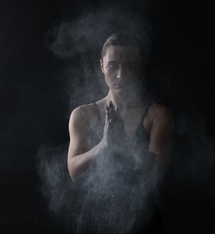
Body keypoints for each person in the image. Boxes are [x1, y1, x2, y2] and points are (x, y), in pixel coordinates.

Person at [67, 32, 174, 233]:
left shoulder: (158, 115)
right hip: (94, 218)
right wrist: (104, 145)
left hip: (143, 218)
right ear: (101, 66)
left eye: (130, 67)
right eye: (113, 66)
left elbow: (159, 174)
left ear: (141, 67)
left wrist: (125, 144)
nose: (120, 75)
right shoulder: (82, 114)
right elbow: (74, 172)